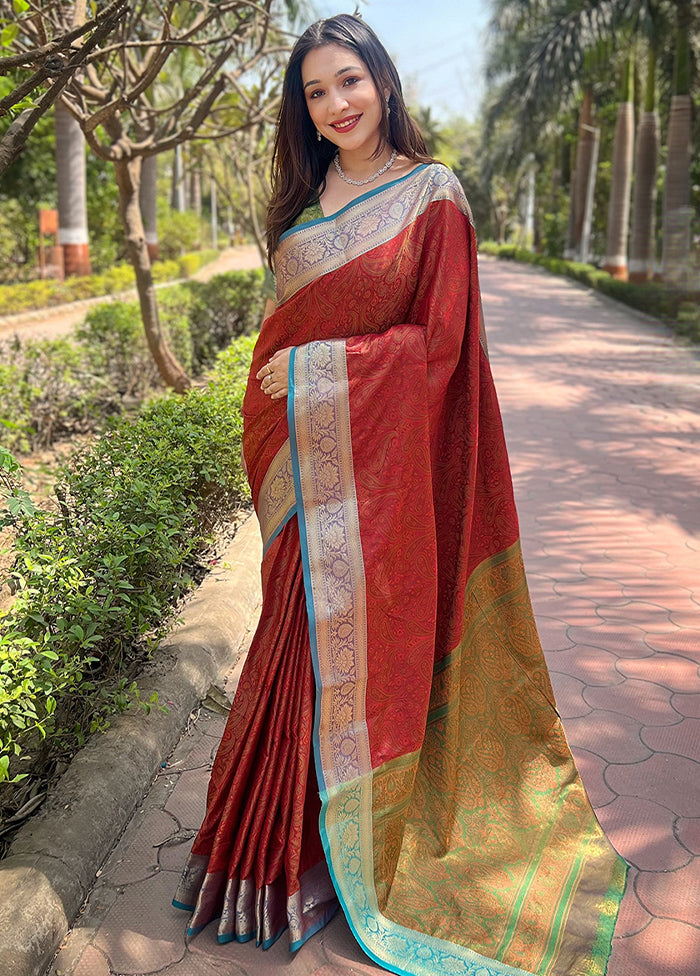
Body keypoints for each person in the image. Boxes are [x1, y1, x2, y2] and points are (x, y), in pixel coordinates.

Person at [174, 14, 627, 976]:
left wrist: (320, 376)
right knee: (293, 646)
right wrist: (285, 396)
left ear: (382, 81)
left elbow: (445, 348)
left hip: (384, 481)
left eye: (350, 81)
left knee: (371, 657)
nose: (336, 104)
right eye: (314, 92)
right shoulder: (300, 214)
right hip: (308, 474)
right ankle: (273, 857)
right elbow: (270, 352)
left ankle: (366, 849)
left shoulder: (432, 197)